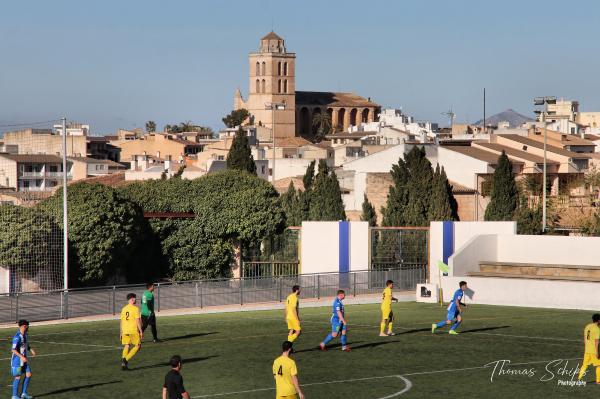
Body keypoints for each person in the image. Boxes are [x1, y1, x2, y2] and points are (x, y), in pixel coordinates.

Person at [11, 319, 36, 399]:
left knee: (29, 374)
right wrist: (21, 356)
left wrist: (30, 349)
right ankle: (14, 396)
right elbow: (13, 349)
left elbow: (25, 345)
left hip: (24, 361)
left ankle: (24, 393)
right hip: (17, 361)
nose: (28, 328)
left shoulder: (25, 335)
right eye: (27, 326)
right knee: (18, 377)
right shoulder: (17, 337)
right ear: (24, 326)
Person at [120, 293, 143, 370]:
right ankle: (125, 360)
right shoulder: (135, 308)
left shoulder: (124, 309)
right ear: (132, 299)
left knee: (127, 345)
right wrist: (141, 331)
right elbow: (137, 321)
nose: (136, 300)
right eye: (135, 298)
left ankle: (123, 364)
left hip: (125, 330)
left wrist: (121, 332)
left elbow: (121, 321)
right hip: (133, 330)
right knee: (138, 346)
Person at [577, 313, 600, 383]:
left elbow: (585, 338)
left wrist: (587, 347)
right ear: (599, 320)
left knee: (584, 365)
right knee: (599, 365)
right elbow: (597, 342)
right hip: (593, 350)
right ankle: (598, 381)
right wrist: (597, 352)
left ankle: (579, 379)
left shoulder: (587, 326)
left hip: (587, 350)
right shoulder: (597, 329)